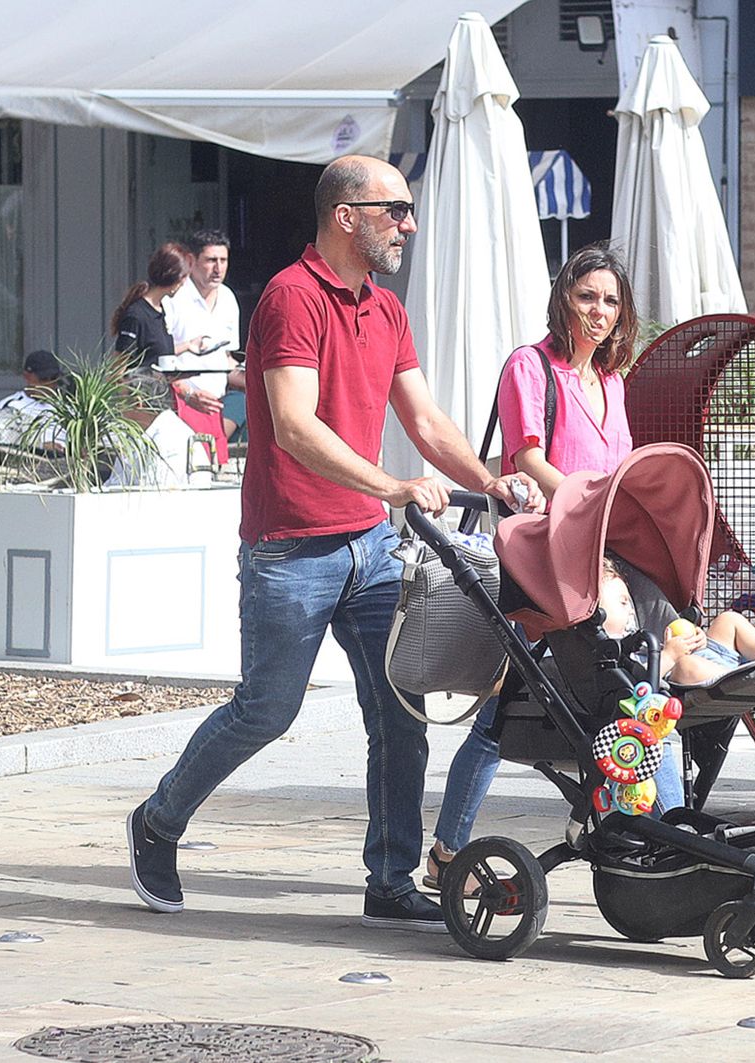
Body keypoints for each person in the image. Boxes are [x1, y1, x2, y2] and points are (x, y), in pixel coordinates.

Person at [126, 155, 541, 933]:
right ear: (346, 215)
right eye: (396, 210)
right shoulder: (290, 297)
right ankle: (158, 819)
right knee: (266, 710)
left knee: (400, 708)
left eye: (411, 210)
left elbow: (423, 421)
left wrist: (490, 478)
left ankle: (389, 877)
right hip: (292, 550)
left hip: (371, 548)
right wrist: (394, 487)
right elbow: (292, 424)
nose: (408, 225)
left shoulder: (385, 310)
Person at [424, 243, 683, 892]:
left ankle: (451, 851)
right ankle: (450, 850)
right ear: (563, 297)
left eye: (611, 301)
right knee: (514, 710)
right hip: (546, 561)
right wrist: (587, 504)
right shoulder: (529, 367)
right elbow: (526, 457)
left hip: (603, 569)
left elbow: (620, 468)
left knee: (519, 709)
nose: (599, 311)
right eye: (587, 296)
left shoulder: (614, 382)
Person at [599, 558, 755, 685]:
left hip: (709, 657)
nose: (631, 609)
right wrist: (670, 656)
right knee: (686, 667)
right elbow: (638, 683)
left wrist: (697, 637)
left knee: (727, 620)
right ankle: (750, 679)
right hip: (699, 675)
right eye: (623, 602)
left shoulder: (638, 635)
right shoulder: (612, 655)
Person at [165, 228, 249, 441]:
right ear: (192, 261)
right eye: (211, 260)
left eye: (223, 260)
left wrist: (258, 379)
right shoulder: (173, 297)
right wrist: (188, 394)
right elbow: (157, 360)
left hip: (220, 401)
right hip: (179, 399)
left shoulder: (228, 298)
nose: (218, 268)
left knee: (251, 404)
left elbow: (226, 360)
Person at [110, 243, 214, 368]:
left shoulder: (159, 310)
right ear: (173, 276)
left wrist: (188, 345)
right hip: (141, 387)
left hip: (159, 386)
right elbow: (116, 372)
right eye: (184, 277)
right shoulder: (136, 316)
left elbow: (156, 353)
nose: (184, 283)